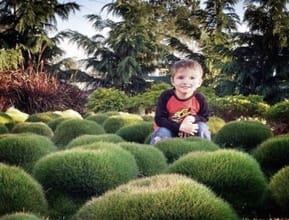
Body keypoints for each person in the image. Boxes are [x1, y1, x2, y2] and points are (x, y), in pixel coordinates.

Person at [150, 59, 211, 144]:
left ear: (199, 82)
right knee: (162, 132)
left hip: (190, 130)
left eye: (192, 78)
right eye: (181, 77)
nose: (186, 82)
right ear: (172, 81)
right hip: (170, 131)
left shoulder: (200, 98)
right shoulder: (166, 96)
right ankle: (155, 155)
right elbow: (160, 119)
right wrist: (179, 127)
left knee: (202, 127)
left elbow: (205, 116)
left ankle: (206, 152)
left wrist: (192, 118)